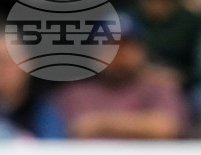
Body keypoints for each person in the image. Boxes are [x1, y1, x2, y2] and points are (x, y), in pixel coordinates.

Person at [52, 15, 190, 139]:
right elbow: (78, 129)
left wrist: (102, 123)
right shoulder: (76, 92)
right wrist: (141, 124)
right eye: (112, 46)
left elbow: (166, 128)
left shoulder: (160, 87)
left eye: (127, 47)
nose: (120, 55)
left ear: (142, 50)